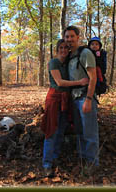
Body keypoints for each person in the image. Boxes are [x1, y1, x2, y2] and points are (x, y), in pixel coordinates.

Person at [40, 39, 89, 177]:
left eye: (66, 48)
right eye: (61, 47)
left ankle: (55, 157)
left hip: (65, 99)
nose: (63, 50)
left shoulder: (67, 63)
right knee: (51, 131)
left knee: (61, 130)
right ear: (57, 49)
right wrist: (80, 82)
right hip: (54, 99)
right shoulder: (54, 62)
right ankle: (47, 164)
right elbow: (60, 82)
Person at [63, 26, 99, 173]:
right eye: (67, 37)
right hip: (74, 98)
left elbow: (93, 78)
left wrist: (89, 99)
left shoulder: (85, 53)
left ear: (78, 37)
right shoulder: (70, 55)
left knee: (90, 132)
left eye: (72, 36)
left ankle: (93, 163)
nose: (69, 39)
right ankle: (82, 159)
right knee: (79, 131)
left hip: (85, 97)